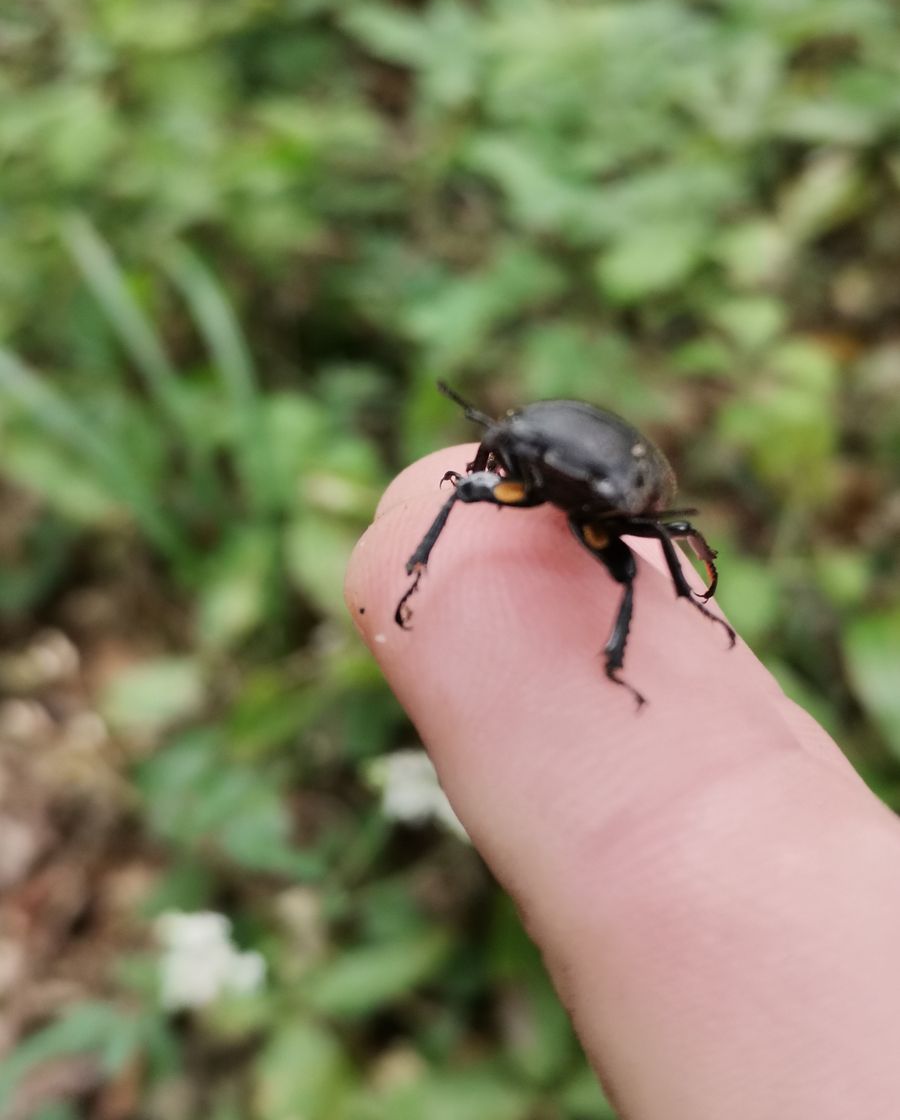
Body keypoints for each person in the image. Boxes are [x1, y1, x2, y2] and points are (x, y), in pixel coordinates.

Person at [345, 444, 900, 1119]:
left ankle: (616, 656)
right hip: (585, 474)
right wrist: (490, 462)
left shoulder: (581, 484)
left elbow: (656, 524)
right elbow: (504, 447)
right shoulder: (528, 454)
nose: (495, 462)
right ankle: (428, 567)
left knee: (625, 566)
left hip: (611, 489)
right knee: (472, 490)